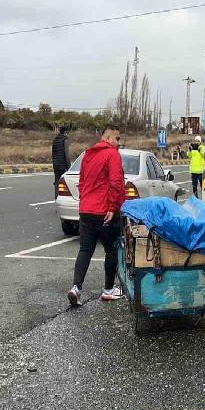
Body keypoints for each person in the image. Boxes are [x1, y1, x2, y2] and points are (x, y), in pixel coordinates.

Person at [68, 125, 125, 306]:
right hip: (104, 212)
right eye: (117, 139)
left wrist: (85, 202)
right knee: (111, 250)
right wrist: (112, 207)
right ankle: (108, 290)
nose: (119, 143)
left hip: (86, 210)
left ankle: (76, 288)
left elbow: (82, 182)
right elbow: (116, 182)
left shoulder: (88, 155)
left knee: (85, 250)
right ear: (108, 138)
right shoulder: (112, 154)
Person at [52, 126, 71, 198]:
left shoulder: (55, 140)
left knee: (57, 182)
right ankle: (63, 198)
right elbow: (67, 155)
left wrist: (54, 163)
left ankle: (56, 197)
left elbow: (53, 153)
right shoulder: (65, 140)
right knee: (65, 183)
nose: (68, 135)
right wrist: (69, 167)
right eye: (67, 133)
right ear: (65, 132)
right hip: (63, 165)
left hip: (55, 165)